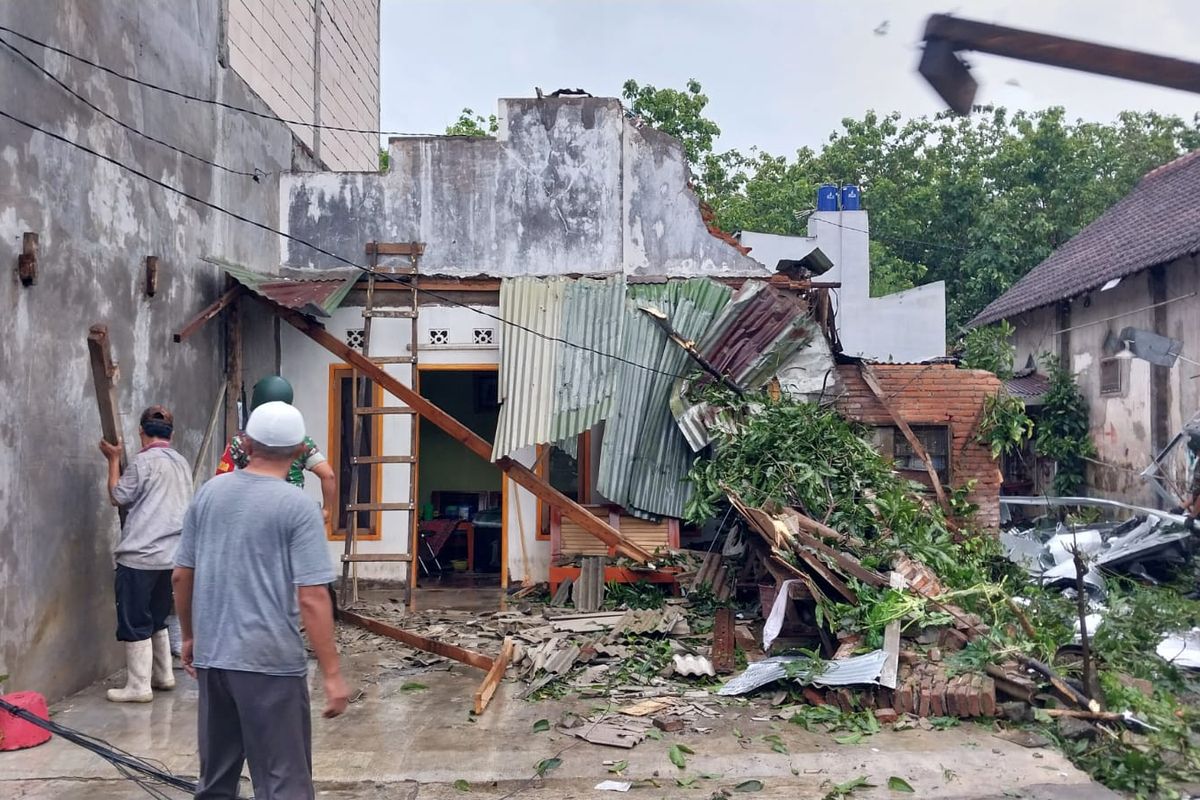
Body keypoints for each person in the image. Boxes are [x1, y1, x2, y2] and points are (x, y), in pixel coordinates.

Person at [174, 401, 348, 800]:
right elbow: (313, 598)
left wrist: (189, 636)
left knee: (215, 782)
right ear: (299, 453)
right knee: (283, 783)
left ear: (247, 443)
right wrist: (332, 674)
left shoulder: (209, 493)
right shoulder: (298, 506)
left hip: (214, 660)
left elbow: (182, 574)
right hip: (269, 664)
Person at [99, 405, 192, 703]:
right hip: (171, 558)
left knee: (134, 617)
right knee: (157, 615)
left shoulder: (143, 463)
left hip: (140, 557)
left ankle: (139, 687)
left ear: (142, 432)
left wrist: (113, 460)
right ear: (172, 434)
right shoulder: (181, 463)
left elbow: (118, 497)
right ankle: (163, 675)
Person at [216, 375, 337, 526]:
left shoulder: (240, 442)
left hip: (251, 516)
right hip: (292, 515)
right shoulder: (300, 442)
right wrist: (327, 510)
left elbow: (221, 479)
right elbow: (328, 475)